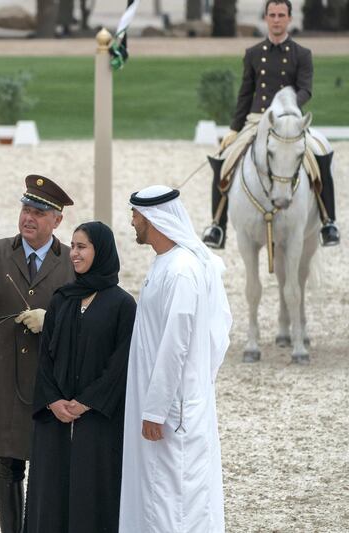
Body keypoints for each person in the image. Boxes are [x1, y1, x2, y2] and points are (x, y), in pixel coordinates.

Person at [0, 175, 75, 533]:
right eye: (25, 208)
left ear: (57, 220)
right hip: (5, 375)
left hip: (51, 378)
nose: (28, 217)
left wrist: (51, 320)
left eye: (39, 212)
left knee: (48, 462)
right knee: (7, 462)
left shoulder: (73, 260)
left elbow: (91, 316)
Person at [120, 185, 232, 533]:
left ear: (154, 218)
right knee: (157, 490)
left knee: (174, 496)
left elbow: (175, 346)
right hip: (163, 401)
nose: (133, 222)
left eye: (136, 215)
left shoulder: (182, 270)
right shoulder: (166, 263)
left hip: (173, 409)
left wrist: (156, 409)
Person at [25, 221, 136, 533]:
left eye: (82, 246)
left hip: (100, 418)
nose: (74, 253)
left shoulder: (123, 305)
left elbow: (121, 364)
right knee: (51, 489)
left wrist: (87, 402)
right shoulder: (63, 299)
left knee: (94, 489)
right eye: (72, 246)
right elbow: (45, 358)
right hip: (55, 415)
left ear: (100, 251)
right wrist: (53, 400)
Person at [201, 0, 339, 249]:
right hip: (257, 120)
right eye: (272, 15)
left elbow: (306, 89)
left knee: (319, 156)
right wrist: (234, 128)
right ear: (266, 18)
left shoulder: (302, 54)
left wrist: (287, 108)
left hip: (291, 121)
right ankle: (217, 225)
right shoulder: (253, 53)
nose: (276, 19)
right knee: (224, 160)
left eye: (281, 15)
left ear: (289, 18)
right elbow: (246, 93)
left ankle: (328, 222)